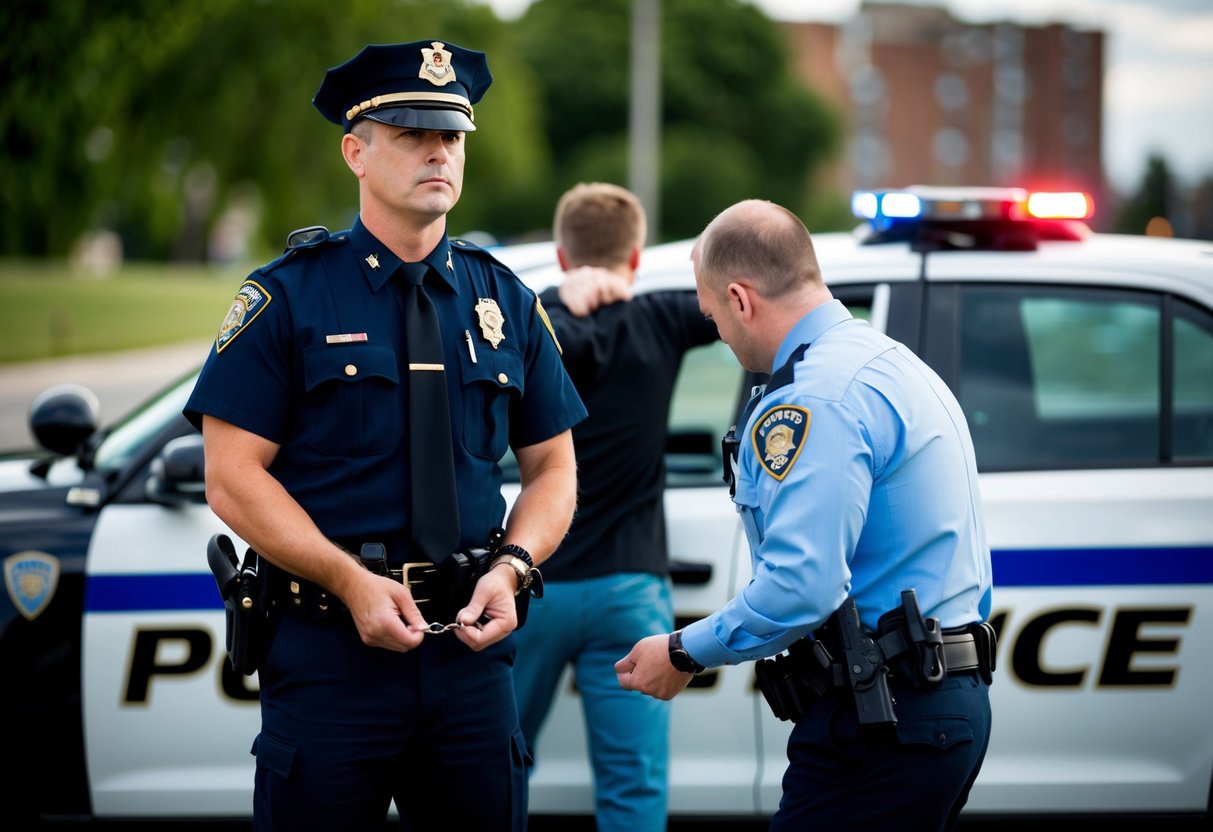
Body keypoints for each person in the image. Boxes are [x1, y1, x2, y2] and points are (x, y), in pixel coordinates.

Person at [184, 40, 586, 832]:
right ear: (355, 153)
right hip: (332, 657)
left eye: (452, 136)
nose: (438, 151)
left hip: (471, 661)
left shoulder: (502, 298)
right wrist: (348, 581)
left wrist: (511, 569)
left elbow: (553, 470)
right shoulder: (288, 298)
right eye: (411, 134)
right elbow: (232, 476)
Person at [615, 199, 995, 831]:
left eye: (713, 317)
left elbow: (803, 585)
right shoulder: (890, 364)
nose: (721, 335)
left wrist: (683, 651)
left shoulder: (816, 397)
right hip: (930, 703)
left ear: (740, 299)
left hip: (883, 719)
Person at [511, 182, 718, 831]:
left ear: (560, 254)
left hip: (526, 586)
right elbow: (746, 299)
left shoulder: (531, 325)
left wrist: (551, 301)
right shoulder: (659, 318)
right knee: (633, 790)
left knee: (487, 771)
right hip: (629, 591)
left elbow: (485, 329)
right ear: (635, 258)